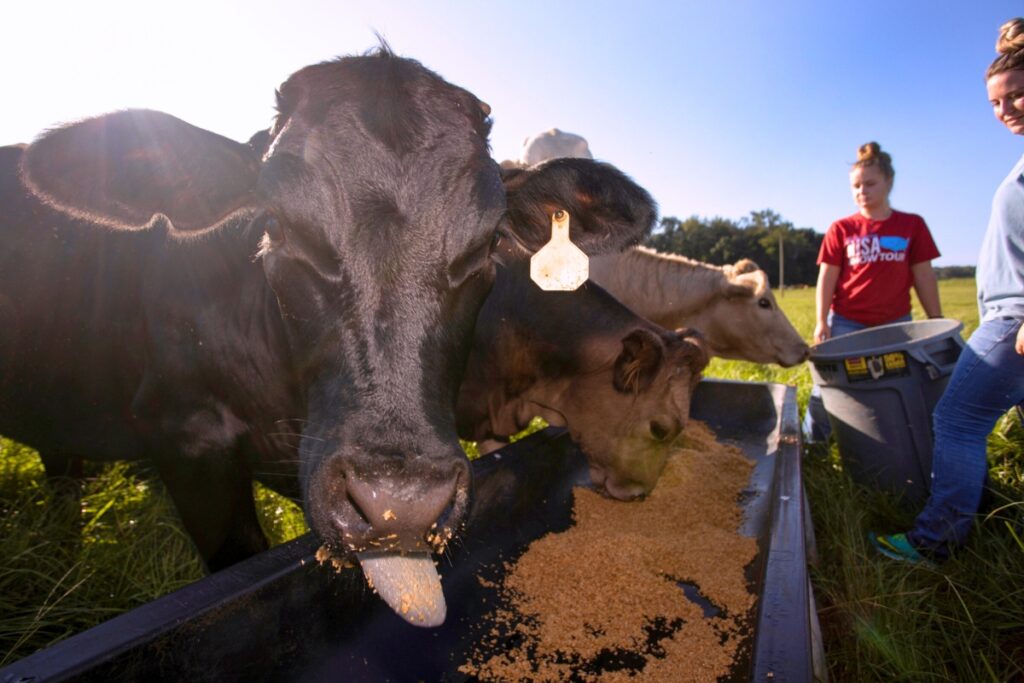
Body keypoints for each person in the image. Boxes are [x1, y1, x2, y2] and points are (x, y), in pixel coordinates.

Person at [870, 18, 1024, 564]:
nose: (1006, 108)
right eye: (996, 102)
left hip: (1014, 322)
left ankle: (938, 539)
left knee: (957, 420)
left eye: (1017, 95)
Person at [802, 142, 943, 441]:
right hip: (847, 322)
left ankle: (900, 441)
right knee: (828, 385)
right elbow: (827, 276)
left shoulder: (911, 225)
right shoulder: (841, 229)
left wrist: (936, 320)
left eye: (869, 183)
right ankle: (813, 444)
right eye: (855, 186)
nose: (861, 191)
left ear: (888, 182)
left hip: (896, 324)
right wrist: (821, 321)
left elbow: (923, 275)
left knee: (902, 386)